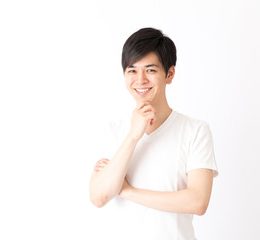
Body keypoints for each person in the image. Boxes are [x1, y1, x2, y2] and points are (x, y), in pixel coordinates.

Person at [89, 27, 218, 239]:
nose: (140, 80)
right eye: (132, 70)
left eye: (150, 70)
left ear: (170, 74)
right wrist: (133, 136)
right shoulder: (113, 131)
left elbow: (198, 202)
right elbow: (99, 196)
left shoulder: (195, 131)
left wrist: (128, 191)